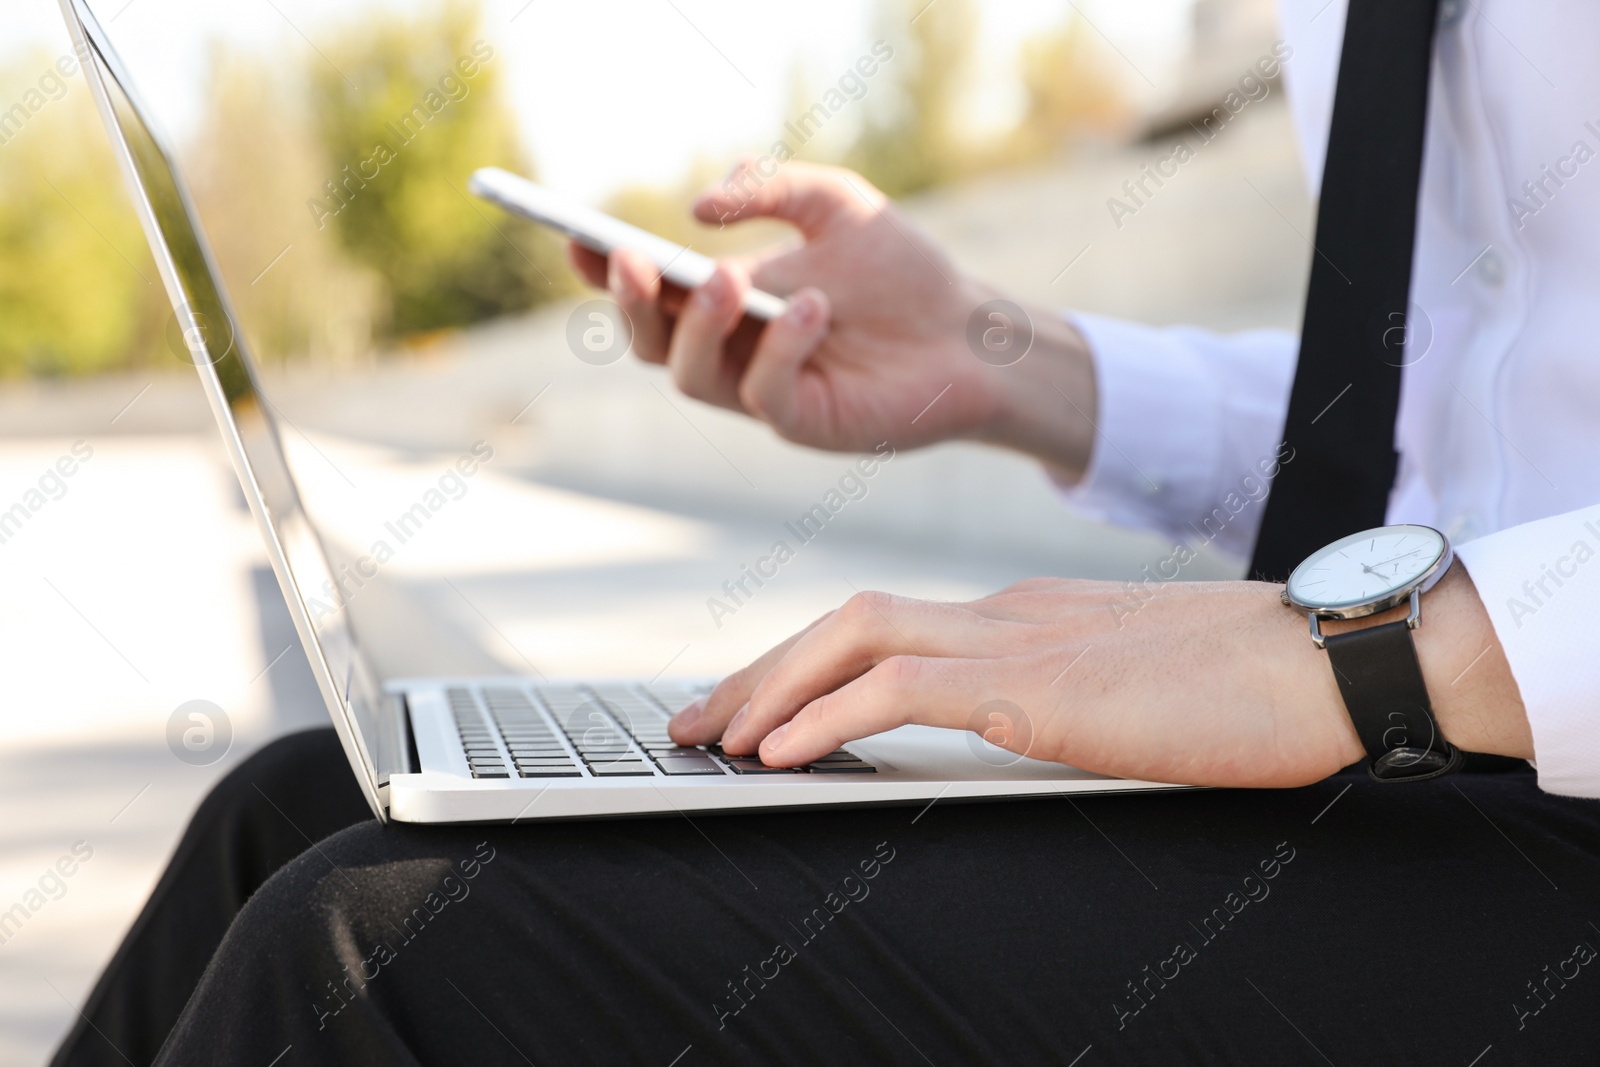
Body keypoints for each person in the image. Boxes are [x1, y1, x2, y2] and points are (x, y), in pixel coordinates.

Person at [54, 1, 1600, 1064]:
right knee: (294, 801)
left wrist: (1390, 655)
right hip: (1443, 741)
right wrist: (996, 359)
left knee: (371, 958)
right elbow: (1471, 414)